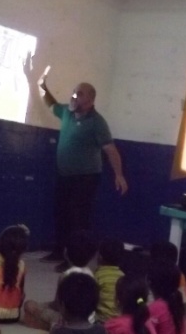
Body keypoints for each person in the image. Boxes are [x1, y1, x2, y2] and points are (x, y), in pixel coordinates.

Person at [30, 60, 128, 272]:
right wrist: (41, 85)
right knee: (61, 213)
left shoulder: (97, 122)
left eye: (80, 93)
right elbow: (50, 102)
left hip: (86, 178)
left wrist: (119, 175)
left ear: (90, 100)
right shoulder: (66, 112)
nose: (74, 96)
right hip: (64, 175)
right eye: (74, 92)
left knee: (78, 220)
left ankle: (75, 260)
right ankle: (59, 251)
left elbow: (111, 150)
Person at [22, 229, 98, 332]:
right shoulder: (92, 276)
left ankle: (51, 326)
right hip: (89, 320)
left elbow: (58, 305)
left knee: (29, 305)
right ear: (92, 256)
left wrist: (41, 308)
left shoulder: (65, 276)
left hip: (67, 319)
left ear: (65, 253)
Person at [94, 237, 125, 322]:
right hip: (119, 320)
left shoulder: (98, 275)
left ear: (100, 257)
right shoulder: (123, 276)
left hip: (101, 320)